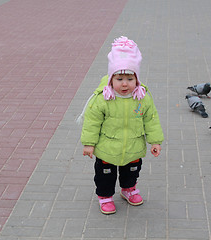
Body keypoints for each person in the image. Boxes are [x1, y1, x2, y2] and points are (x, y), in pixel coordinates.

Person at [78, 36, 164, 215]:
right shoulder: (103, 98)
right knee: (105, 175)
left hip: (133, 146)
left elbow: (151, 119)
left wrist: (155, 141)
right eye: (119, 79)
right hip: (107, 148)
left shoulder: (142, 97)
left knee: (131, 171)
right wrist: (89, 143)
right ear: (111, 79)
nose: (124, 83)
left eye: (129, 79)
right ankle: (105, 196)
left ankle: (128, 189)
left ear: (137, 79)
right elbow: (92, 122)